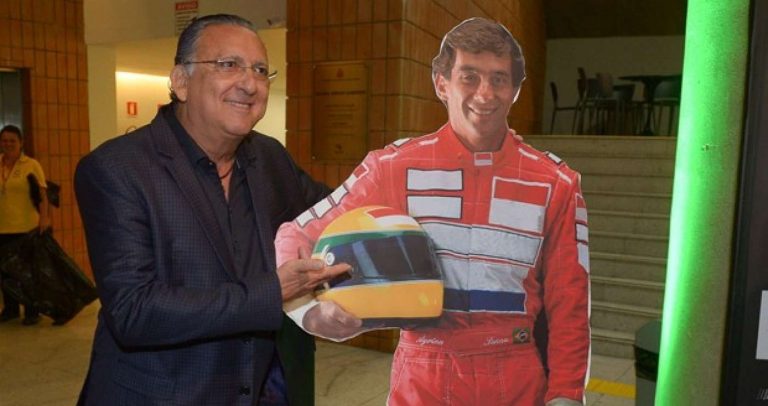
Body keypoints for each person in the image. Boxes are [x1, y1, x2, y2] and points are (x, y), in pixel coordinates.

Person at [276, 17, 590, 406]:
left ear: (515, 90)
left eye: (499, 79)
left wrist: (566, 394)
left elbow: (569, 301)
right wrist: (307, 312)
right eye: (469, 77)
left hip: (517, 376)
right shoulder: (393, 167)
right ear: (441, 84)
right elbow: (295, 234)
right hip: (424, 374)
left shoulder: (556, 182)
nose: (485, 93)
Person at [74, 14, 348, 406]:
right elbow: (134, 311)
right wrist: (272, 292)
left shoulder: (268, 157)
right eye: (228, 65)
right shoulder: (118, 169)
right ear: (181, 82)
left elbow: (336, 212)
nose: (250, 84)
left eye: (259, 70)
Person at [0, 124, 49, 326]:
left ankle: (31, 310)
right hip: (2, 227)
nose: (8, 144)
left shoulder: (31, 164)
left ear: (21, 143)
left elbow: (42, 194)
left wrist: (44, 218)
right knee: (5, 272)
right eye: (4, 140)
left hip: (26, 226)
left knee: (28, 272)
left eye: (12, 140)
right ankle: (10, 309)